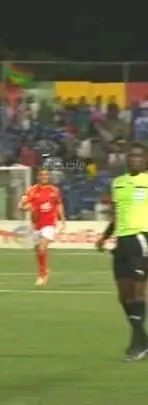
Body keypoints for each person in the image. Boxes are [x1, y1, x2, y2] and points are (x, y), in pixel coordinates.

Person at [96, 143, 148, 361]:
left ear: (146, 160)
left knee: (138, 292)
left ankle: (138, 344)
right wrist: (105, 237)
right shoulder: (118, 183)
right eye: (131, 156)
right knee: (124, 296)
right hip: (122, 242)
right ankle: (142, 340)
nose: (135, 159)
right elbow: (116, 215)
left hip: (141, 238)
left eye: (139, 156)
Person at [18, 168, 66, 286]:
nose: (44, 177)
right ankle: (44, 268)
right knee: (38, 250)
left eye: (46, 175)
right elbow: (24, 206)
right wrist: (23, 205)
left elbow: (59, 204)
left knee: (42, 248)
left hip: (49, 224)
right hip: (36, 225)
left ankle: (42, 274)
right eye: (42, 175)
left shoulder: (54, 190)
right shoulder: (32, 190)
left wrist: (63, 219)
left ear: (49, 177)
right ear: (38, 177)